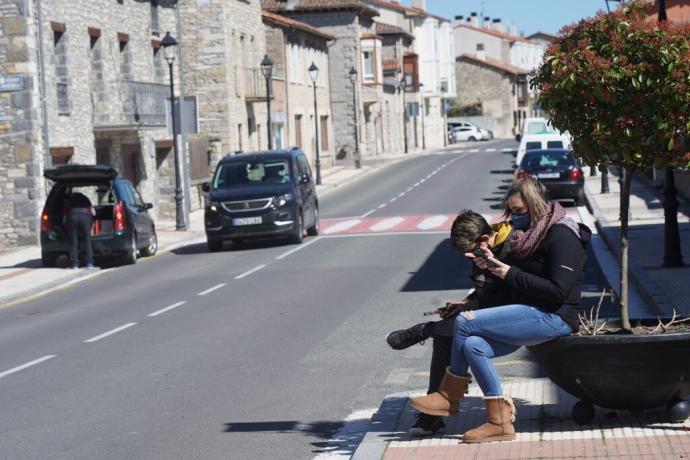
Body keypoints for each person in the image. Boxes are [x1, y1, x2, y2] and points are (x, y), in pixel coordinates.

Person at [410, 178, 590, 443]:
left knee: (464, 324)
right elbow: (513, 288)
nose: (513, 218)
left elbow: (557, 292)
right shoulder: (524, 239)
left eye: (518, 212)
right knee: (473, 345)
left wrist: (508, 272)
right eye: (510, 212)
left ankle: (449, 397)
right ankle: (499, 423)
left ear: (536, 206)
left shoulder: (562, 235)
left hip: (555, 317)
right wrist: (487, 277)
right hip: (529, 312)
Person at [385, 209, 513, 436]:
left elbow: (508, 294)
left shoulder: (508, 249)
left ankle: (425, 330)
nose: (468, 257)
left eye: (469, 252)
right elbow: (488, 291)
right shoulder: (483, 251)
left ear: (484, 239)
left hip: (516, 317)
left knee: (454, 330)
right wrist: (467, 303)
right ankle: (433, 415)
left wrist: (474, 306)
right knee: (446, 337)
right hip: (493, 311)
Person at [66, 190, 96, 269]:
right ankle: (89, 263)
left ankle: (74, 264)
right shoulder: (86, 199)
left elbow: (65, 212)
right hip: (85, 217)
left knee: (73, 240)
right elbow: (93, 212)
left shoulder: (70, 200)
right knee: (87, 239)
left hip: (73, 216)